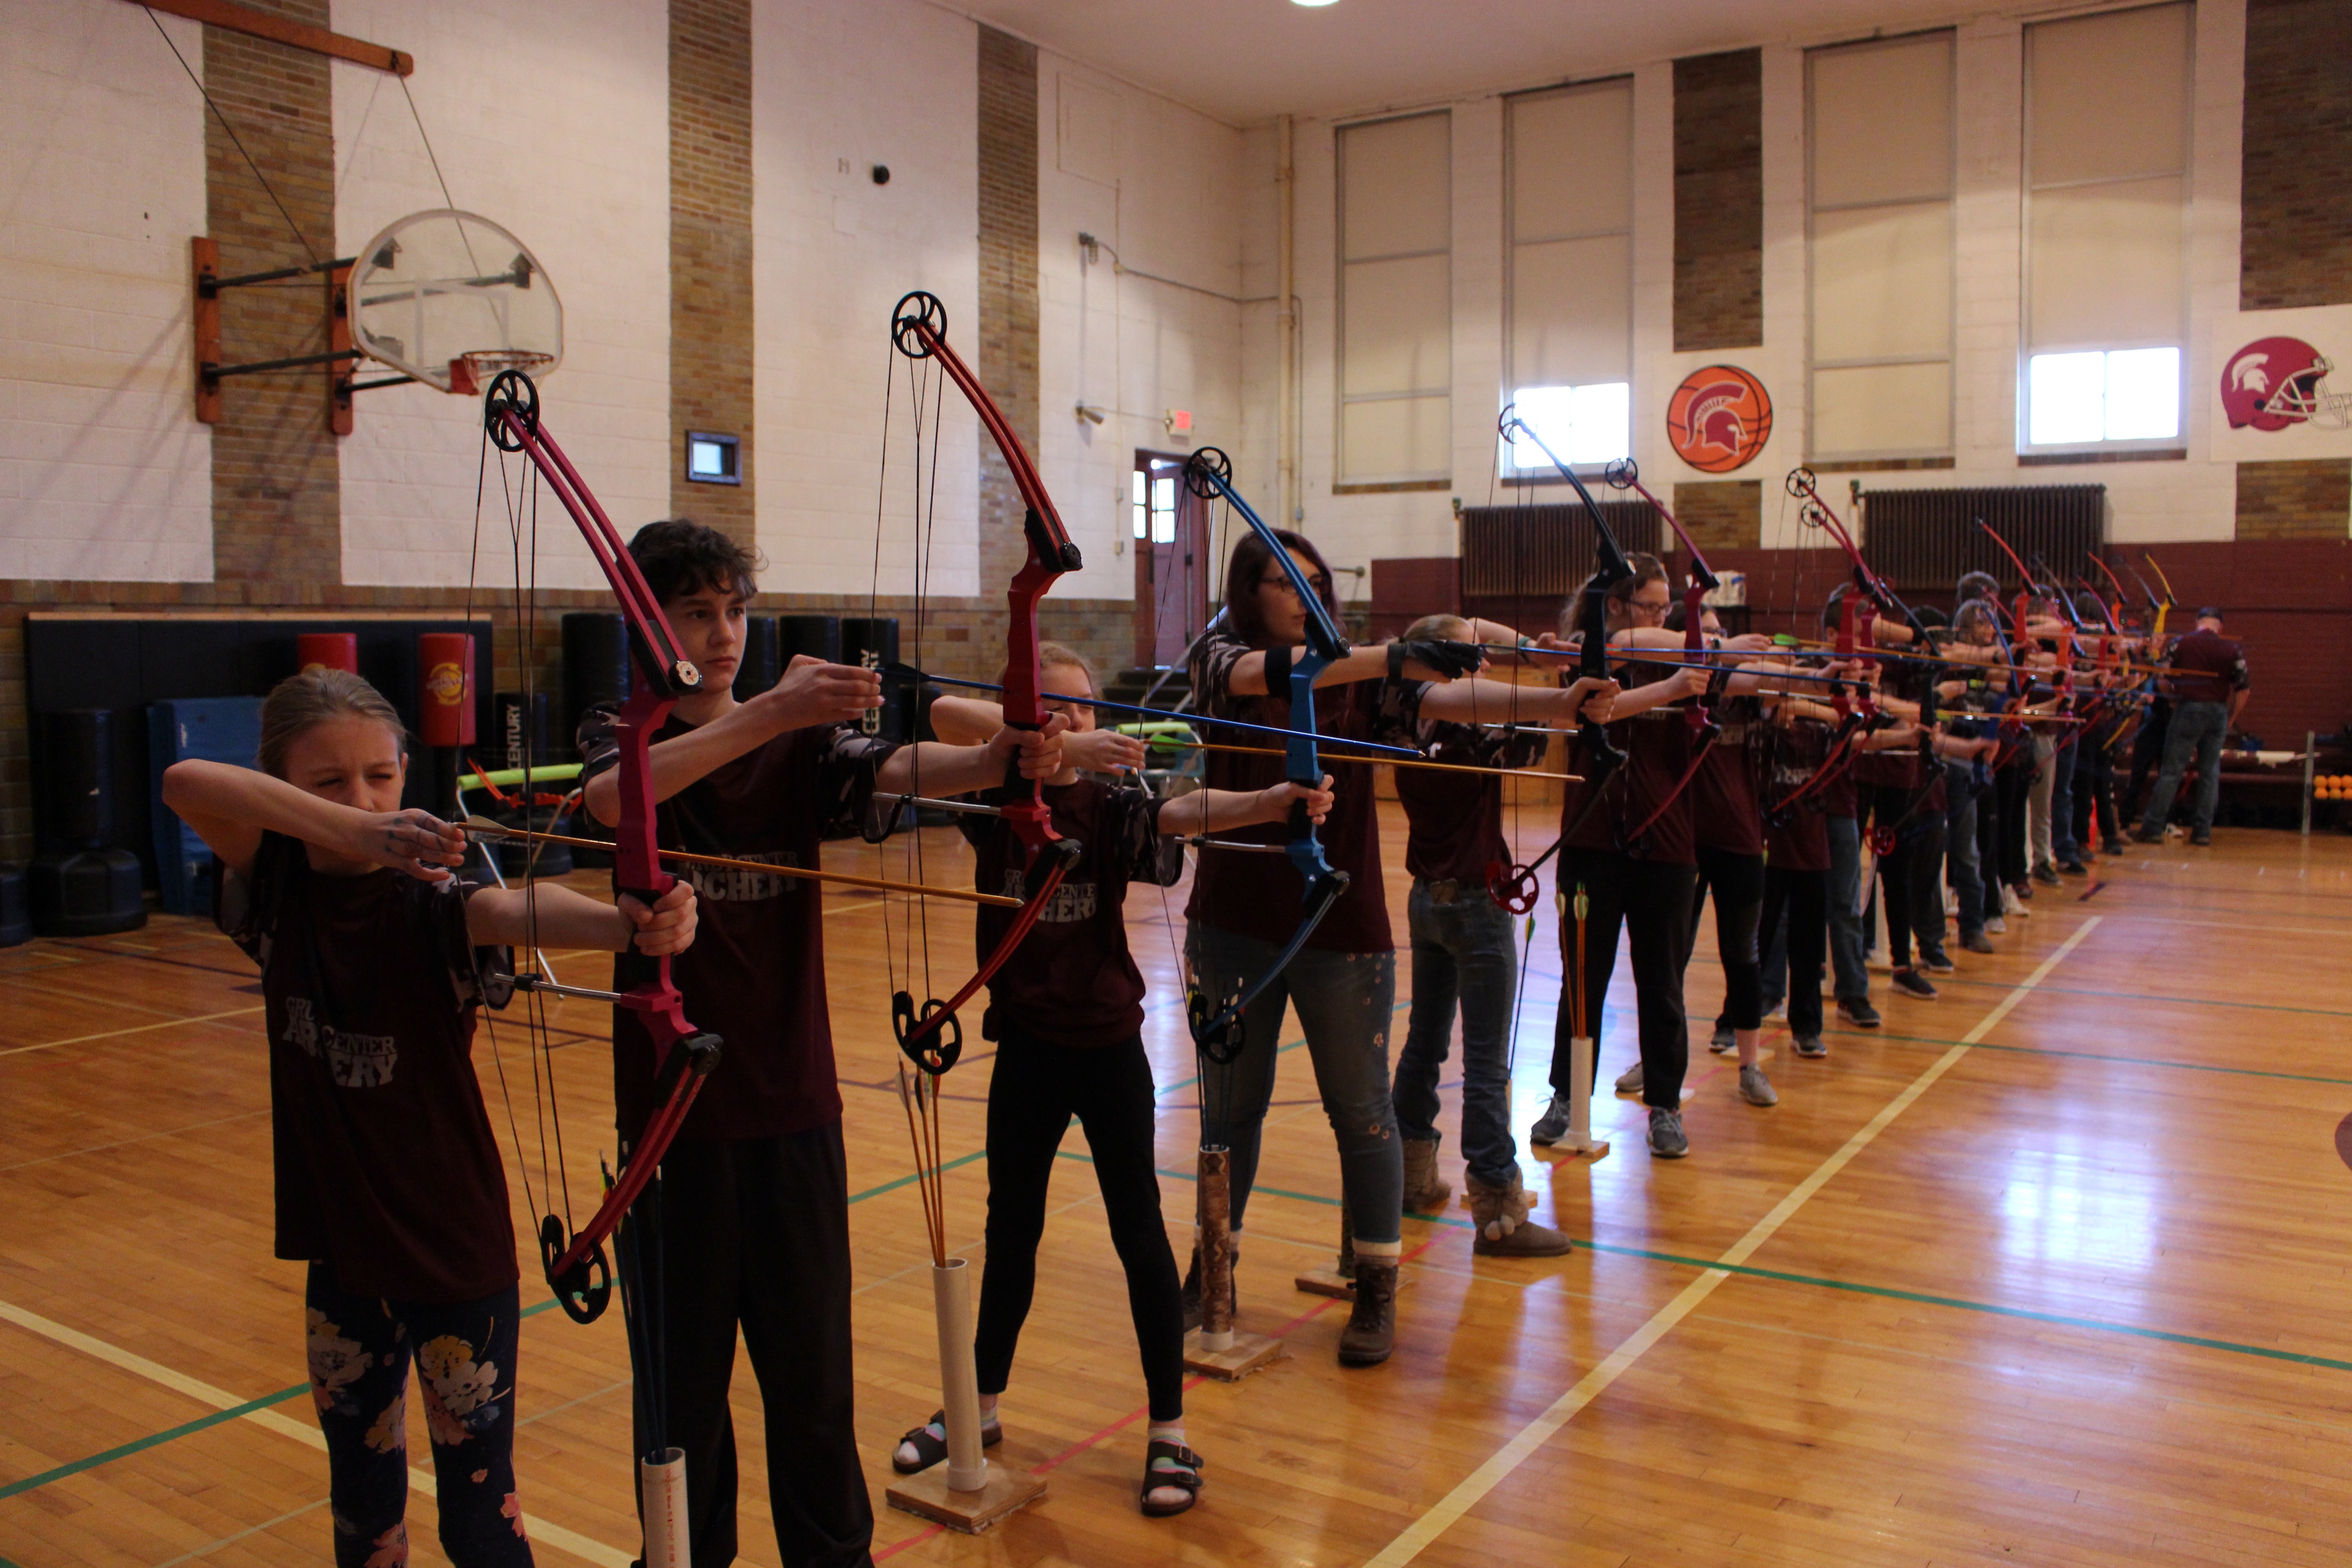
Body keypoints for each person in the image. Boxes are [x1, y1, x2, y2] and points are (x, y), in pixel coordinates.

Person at [575, 519, 1062, 1568]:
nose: (723, 634)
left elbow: (896, 767)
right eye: (696, 613)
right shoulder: (621, 733)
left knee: (813, 1390)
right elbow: (616, 799)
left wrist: (999, 759)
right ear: (644, 622)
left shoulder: (796, 742)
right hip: (671, 1132)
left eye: (735, 611)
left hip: (793, 1115)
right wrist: (771, 710)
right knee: (680, 1405)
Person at [161, 669, 700, 1568]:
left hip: (453, 1261)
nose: (363, 798)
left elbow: (511, 910)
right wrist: (353, 830)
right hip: (342, 1254)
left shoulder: (433, 906)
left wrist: (630, 926)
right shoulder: (274, 891)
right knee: (363, 1506)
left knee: (479, 1518)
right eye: (328, 782)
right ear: (285, 788)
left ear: (408, 772)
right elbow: (186, 783)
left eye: (381, 776)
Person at [902, 644, 1332, 1515]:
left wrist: (1271, 802)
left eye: (1082, 708)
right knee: (1010, 1231)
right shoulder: (993, 795)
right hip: (1025, 1049)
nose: (1068, 720)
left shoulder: (1112, 805)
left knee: (1137, 1232)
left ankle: (1168, 1431)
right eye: (1048, 705)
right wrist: (1048, 744)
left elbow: (1183, 813)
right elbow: (940, 710)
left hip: (1106, 1049)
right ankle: (977, 1407)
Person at [1182, 526, 1482, 1367]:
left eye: (1316, 583)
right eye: (1285, 582)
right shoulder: (1218, 657)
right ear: (1248, 592)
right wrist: (1392, 655)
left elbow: (1449, 703)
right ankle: (1211, 1270)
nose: (1304, 595)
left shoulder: (1362, 678)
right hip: (1231, 923)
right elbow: (1268, 675)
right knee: (1227, 1115)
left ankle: (1376, 1282)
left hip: (1338, 926)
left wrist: (1571, 706)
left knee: (1361, 1112)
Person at [1379, 613, 1615, 1251]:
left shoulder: (1399, 714)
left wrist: (1532, 650)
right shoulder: (1474, 727)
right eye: (1471, 656)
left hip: (1426, 899)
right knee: (1485, 1061)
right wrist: (1558, 675)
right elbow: (1553, 731)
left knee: (1424, 1044)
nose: (1482, 663)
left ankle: (1410, 1178)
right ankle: (1497, 1211)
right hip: (1475, 907)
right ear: (1444, 661)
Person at [2135, 608, 2249, 846]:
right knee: (2210, 773)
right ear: (2221, 627)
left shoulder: (2181, 643)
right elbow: (2244, 689)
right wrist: (2230, 718)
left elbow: (2162, 675)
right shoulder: (2232, 649)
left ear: (2197, 622)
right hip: (2217, 711)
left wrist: (2173, 700)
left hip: (2189, 708)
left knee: (2172, 770)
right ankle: (2203, 832)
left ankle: (2153, 827)